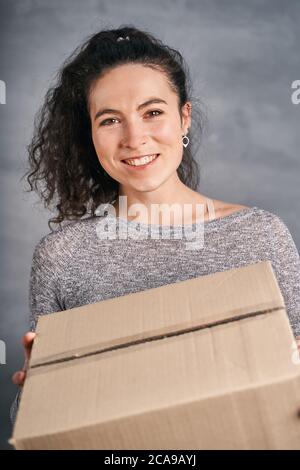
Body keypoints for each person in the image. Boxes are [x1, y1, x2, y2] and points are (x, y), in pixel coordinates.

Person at [11, 25, 300, 425]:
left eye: (153, 113)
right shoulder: (62, 257)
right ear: (91, 135)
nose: (135, 137)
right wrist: (35, 392)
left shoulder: (261, 236)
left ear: (184, 118)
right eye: (110, 120)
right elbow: (40, 425)